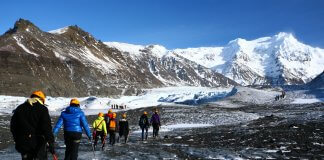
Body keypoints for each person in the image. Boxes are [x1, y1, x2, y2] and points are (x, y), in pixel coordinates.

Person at [10, 90, 55, 160]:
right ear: (41, 99)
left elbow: (13, 127)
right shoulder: (42, 109)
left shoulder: (20, 108)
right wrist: (51, 142)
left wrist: (18, 140)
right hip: (38, 144)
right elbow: (46, 128)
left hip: (23, 143)